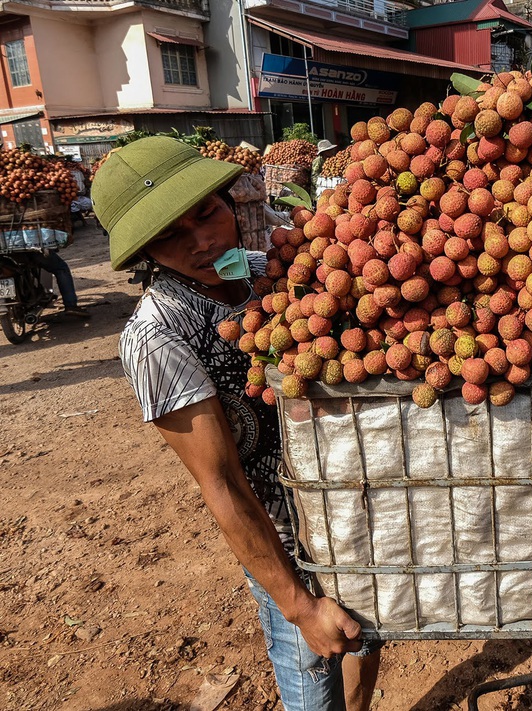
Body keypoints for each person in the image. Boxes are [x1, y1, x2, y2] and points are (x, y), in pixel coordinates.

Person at [90, 136, 380, 711]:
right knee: (313, 678)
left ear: (229, 201)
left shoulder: (267, 272)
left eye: (207, 213)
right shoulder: (157, 336)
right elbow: (220, 483)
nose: (203, 241)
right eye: (170, 235)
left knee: (366, 643)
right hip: (288, 543)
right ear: (147, 252)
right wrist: (298, 605)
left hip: (354, 511)